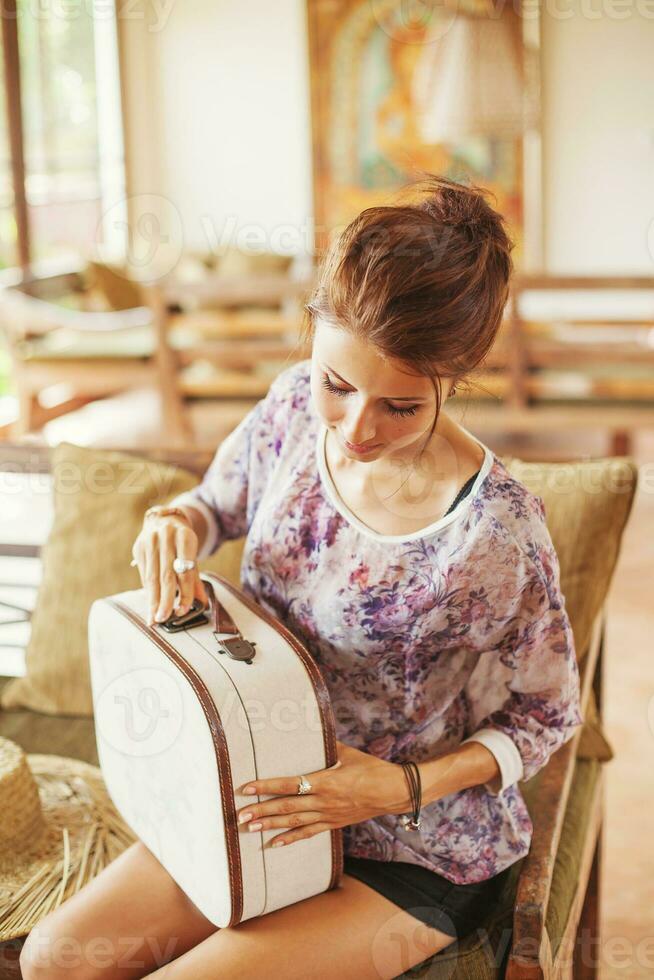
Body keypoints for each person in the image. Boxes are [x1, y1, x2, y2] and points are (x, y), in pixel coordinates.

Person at [20, 174, 583, 980]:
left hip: (413, 844)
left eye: (401, 407)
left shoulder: (496, 531)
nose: (357, 429)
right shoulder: (289, 409)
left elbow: (550, 711)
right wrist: (176, 521)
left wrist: (398, 787)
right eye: (338, 384)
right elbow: (216, 503)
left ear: (452, 381)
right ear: (312, 340)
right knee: (54, 960)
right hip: (259, 798)